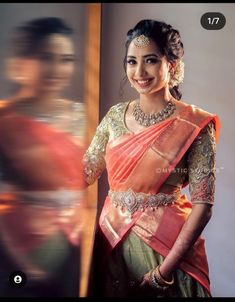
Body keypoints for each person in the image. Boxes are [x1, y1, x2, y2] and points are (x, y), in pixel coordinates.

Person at [84, 19, 220, 297]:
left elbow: (203, 206)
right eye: (132, 62)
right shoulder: (113, 117)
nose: (139, 71)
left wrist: (162, 273)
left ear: (171, 65)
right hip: (113, 244)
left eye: (150, 60)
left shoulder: (194, 124)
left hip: (169, 251)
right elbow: (84, 174)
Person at [0, 17, 86, 297]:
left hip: (73, 239)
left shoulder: (81, 114)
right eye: (46, 57)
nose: (57, 69)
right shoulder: (6, 120)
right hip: (17, 244)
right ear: (23, 61)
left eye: (66, 59)